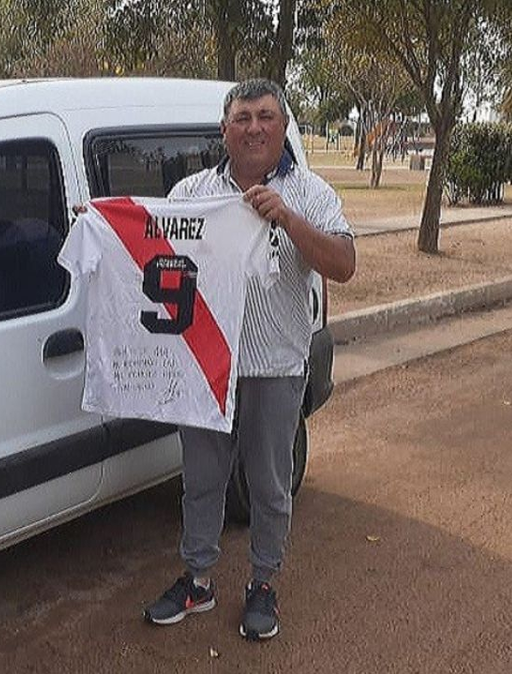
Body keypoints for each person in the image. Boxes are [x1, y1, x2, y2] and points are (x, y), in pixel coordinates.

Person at [143, 78, 356, 641]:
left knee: (268, 483)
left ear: (283, 127)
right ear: (224, 130)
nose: (254, 127)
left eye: (265, 117)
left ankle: (263, 582)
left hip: (276, 368)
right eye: (242, 118)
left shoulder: (310, 193)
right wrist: (101, 221)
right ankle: (198, 580)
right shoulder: (192, 194)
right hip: (207, 369)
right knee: (202, 480)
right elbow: (150, 244)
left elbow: (344, 264)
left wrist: (288, 219)